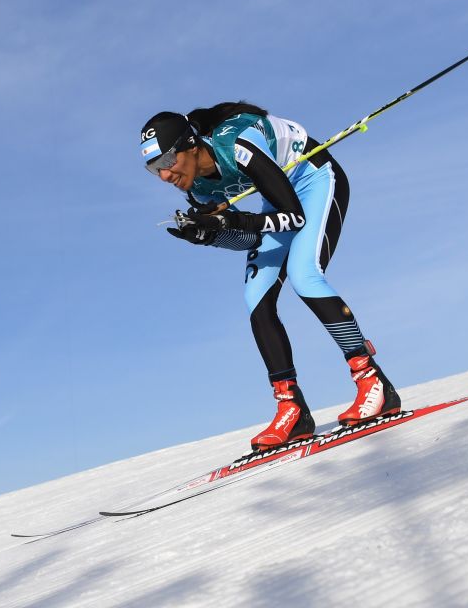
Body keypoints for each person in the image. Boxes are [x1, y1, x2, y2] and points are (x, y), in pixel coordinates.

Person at [139, 102, 401, 451]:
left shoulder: (237, 146)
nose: (164, 176)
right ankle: (291, 407)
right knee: (257, 296)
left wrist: (232, 221)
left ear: (190, 145)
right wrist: (210, 235)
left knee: (304, 275)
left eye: (167, 162)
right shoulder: (199, 189)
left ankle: (373, 381)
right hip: (278, 200)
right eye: (153, 168)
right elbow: (247, 239)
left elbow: (293, 217)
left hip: (314, 178)